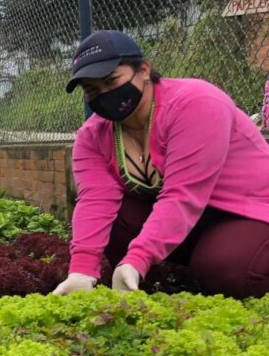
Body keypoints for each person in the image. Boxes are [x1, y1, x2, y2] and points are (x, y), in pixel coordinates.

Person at [53, 29, 269, 298]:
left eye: (111, 80)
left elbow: (182, 195)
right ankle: (160, 282)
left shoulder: (196, 103)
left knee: (225, 267)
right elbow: (94, 200)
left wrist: (138, 257)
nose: (104, 94)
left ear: (143, 70)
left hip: (248, 212)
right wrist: (81, 270)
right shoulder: (92, 136)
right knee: (114, 221)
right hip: (190, 222)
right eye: (92, 90)